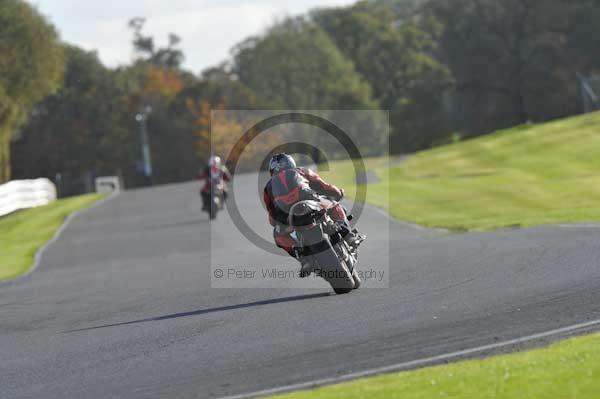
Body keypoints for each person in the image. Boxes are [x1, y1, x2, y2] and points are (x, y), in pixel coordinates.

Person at [263, 153, 364, 277]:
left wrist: (279, 222)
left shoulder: (268, 187)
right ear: (290, 163)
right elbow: (323, 186)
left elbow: (272, 217)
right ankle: (347, 234)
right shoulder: (301, 171)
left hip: (287, 216)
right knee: (334, 205)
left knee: (278, 235)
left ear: (272, 170)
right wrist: (338, 193)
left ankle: (303, 259)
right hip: (310, 203)